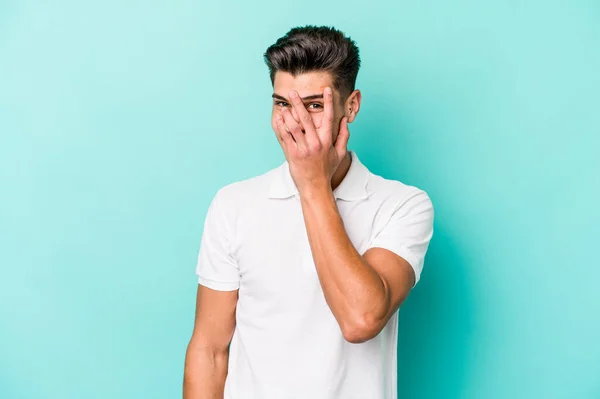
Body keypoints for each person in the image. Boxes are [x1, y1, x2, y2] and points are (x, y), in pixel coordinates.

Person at [183, 25, 434, 399]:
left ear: (351, 106)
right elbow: (210, 350)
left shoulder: (401, 206)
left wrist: (312, 185)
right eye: (283, 104)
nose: (296, 122)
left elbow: (361, 319)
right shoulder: (233, 204)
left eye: (314, 105)